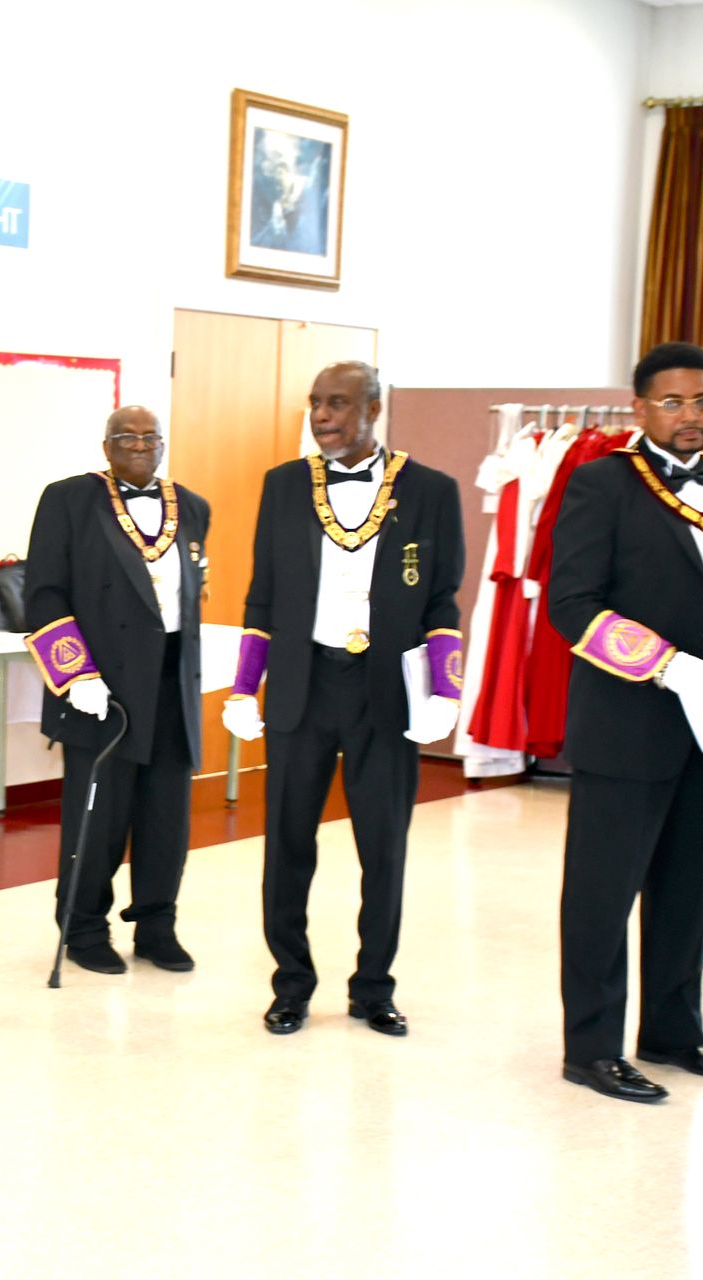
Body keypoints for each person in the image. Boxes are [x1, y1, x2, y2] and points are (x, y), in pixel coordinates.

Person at [547, 341, 703, 1104]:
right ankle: (591, 1048)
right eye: (672, 402)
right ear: (639, 408)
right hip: (629, 721)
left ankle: (674, 1030)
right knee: (602, 895)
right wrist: (665, 665)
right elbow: (570, 604)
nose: (690, 416)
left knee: (687, 889)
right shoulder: (600, 483)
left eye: (702, 401)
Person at [223, 361, 465, 1036]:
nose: (322, 416)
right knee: (287, 845)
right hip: (302, 688)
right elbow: (261, 598)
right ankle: (291, 985)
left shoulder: (431, 491)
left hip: (384, 691)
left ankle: (374, 988)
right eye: (315, 403)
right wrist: (244, 687)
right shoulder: (283, 485)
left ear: (374, 409)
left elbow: (442, 601)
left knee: (383, 849)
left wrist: (445, 690)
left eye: (338, 403)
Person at [23, 406, 211, 974]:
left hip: (171, 685)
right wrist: (74, 674)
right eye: (126, 437)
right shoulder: (68, 501)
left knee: (166, 819)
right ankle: (82, 929)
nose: (140, 445)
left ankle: (157, 926)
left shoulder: (194, 507)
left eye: (150, 437)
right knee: (99, 819)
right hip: (102, 687)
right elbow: (45, 595)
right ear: (106, 446)